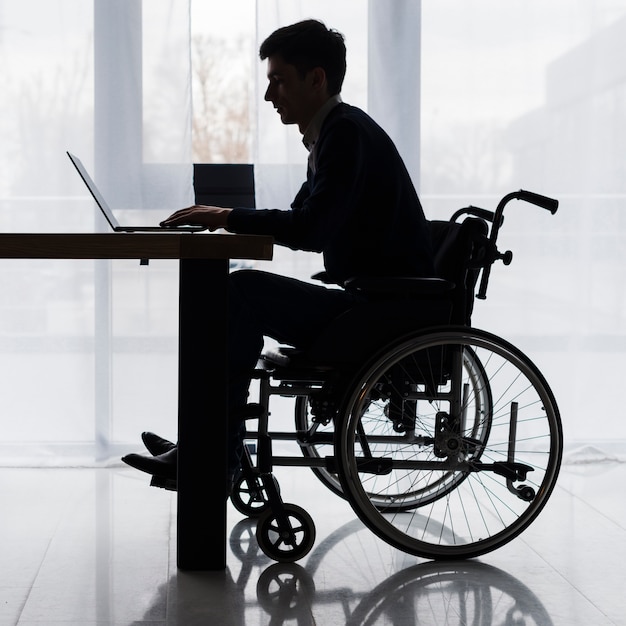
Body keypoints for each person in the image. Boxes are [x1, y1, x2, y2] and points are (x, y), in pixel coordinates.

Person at [121, 18, 434, 486]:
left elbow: (309, 229)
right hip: (374, 300)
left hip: (378, 309)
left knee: (238, 293)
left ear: (316, 78)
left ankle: (210, 453)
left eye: (277, 81)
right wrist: (228, 218)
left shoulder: (344, 135)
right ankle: (207, 443)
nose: (270, 97)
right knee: (234, 293)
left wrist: (226, 217)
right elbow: (303, 218)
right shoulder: (335, 134)